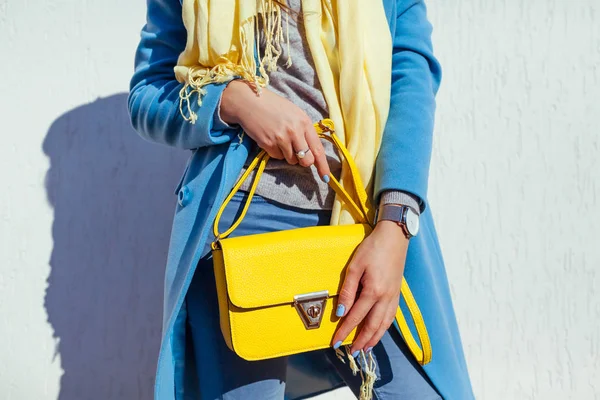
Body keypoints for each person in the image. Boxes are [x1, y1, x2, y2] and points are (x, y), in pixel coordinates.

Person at [128, 0, 475, 399]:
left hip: (366, 223)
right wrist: (234, 102)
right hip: (243, 231)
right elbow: (149, 94)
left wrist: (397, 222)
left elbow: (410, 77)